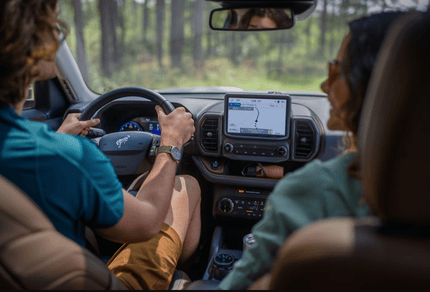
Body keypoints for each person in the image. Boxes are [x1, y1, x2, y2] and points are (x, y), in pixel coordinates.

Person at [0, 0, 201, 290]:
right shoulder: (67, 156)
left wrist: (61, 140)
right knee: (186, 187)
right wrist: (170, 143)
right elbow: (145, 223)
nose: (58, 34)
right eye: (52, 24)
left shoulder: (55, 149)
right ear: (29, 40)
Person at [218, 11, 409, 290]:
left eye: (336, 71)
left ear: (377, 85)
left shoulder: (314, 189)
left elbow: (237, 284)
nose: (323, 85)